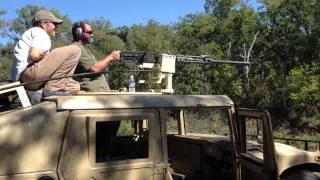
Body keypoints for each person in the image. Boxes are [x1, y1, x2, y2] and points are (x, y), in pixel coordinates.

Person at [11, 10, 81, 97]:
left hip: (25, 80)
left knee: (73, 84)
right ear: (44, 24)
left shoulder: (33, 33)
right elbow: (35, 54)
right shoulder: (39, 32)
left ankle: (47, 90)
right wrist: (47, 56)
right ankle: (52, 89)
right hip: (29, 74)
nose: (57, 27)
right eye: (54, 24)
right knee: (75, 50)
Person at [71, 21, 120, 92]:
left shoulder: (83, 49)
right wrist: (111, 57)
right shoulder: (77, 49)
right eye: (89, 32)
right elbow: (95, 68)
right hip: (92, 96)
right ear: (79, 33)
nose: (92, 35)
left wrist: (111, 59)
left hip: (97, 94)